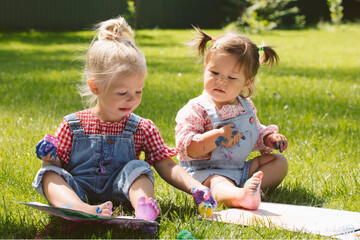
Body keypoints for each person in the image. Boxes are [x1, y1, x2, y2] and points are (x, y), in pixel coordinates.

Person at [32, 17, 216, 221]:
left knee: (140, 169)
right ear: (96, 87)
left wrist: (196, 187)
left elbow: (166, 165)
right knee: (49, 173)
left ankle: (142, 210)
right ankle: (77, 208)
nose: (132, 99)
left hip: (122, 188)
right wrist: (49, 158)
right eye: (122, 92)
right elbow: (59, 165)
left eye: (139, 90)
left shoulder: (141, 127)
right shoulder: (73, 125)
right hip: (78, 188)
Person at [175, 27, 288, 210]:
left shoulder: (245, 106)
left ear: (247, 82)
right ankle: (240, 196)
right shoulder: (197, 108)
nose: (221, 81)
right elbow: (185, 148)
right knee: (217, 183)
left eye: (231, 77)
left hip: (240, 169)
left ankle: (247, 187)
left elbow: (255, 133)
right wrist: (217, 136)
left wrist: (268, 138)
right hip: (207, 172)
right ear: (205, 69)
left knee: (279, 162)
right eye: (214, 73)